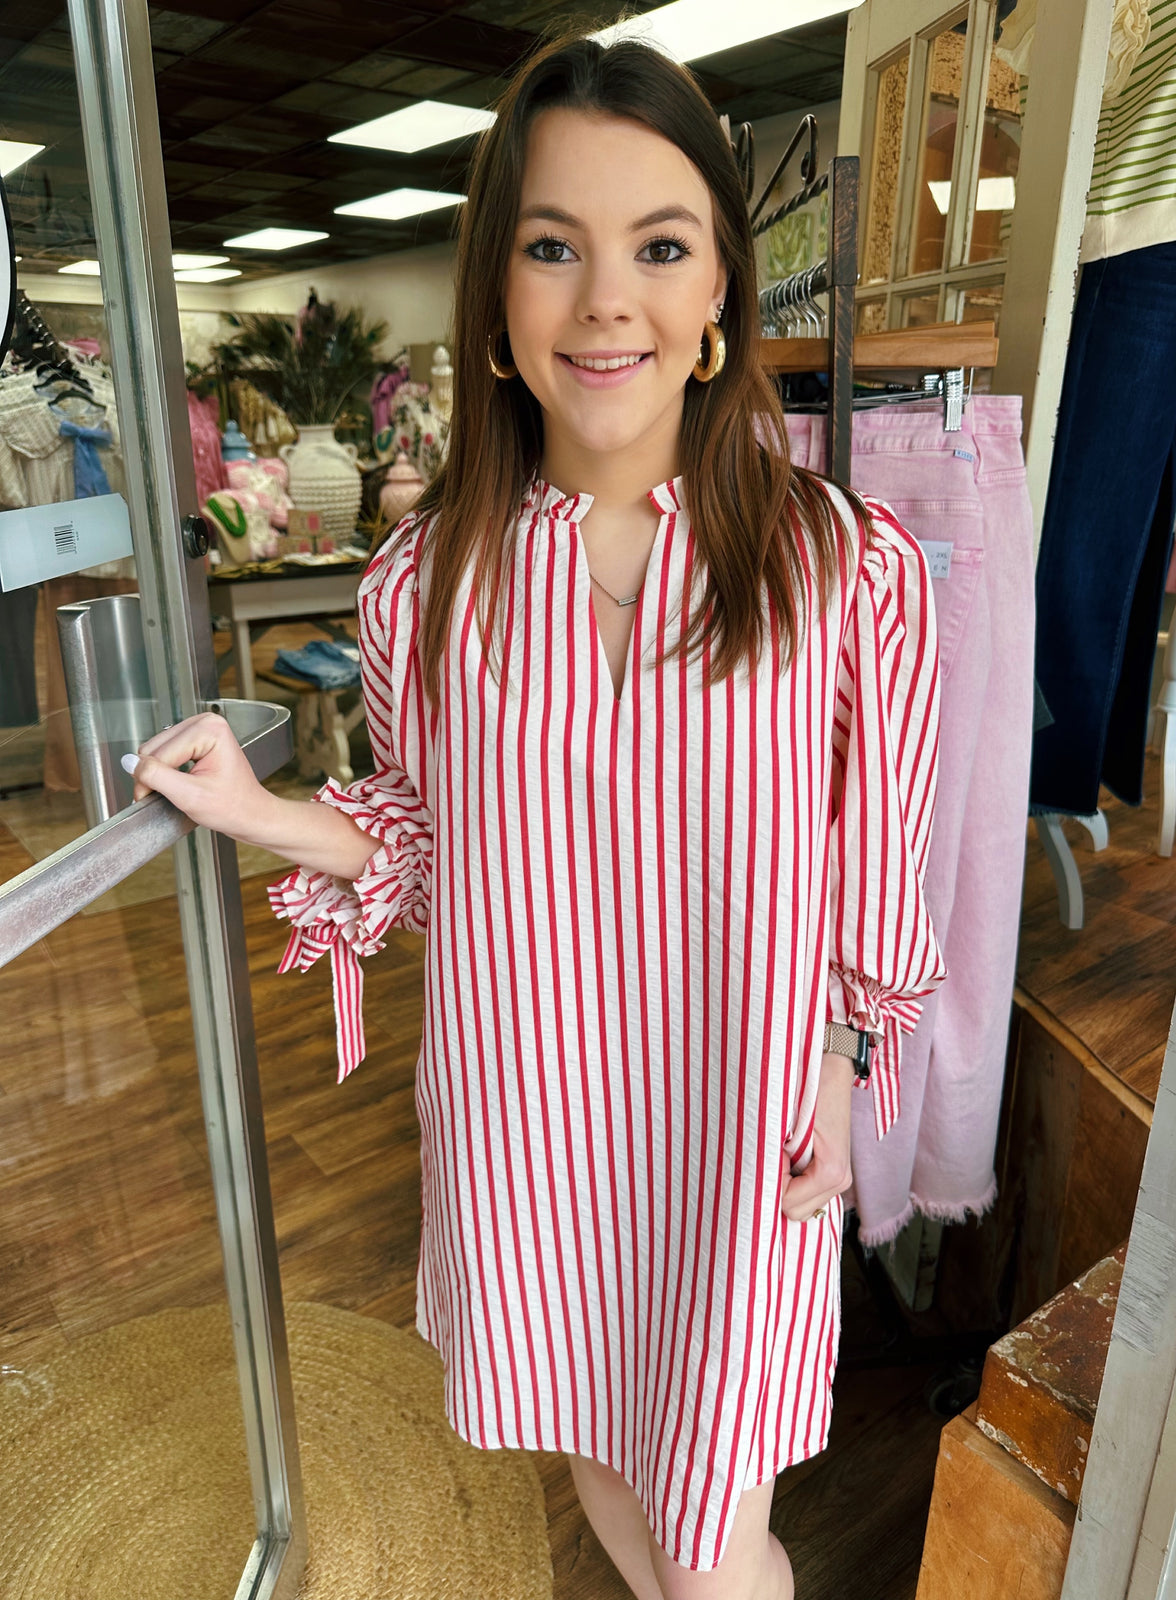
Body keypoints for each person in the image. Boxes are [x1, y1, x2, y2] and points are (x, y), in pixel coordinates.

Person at [130, 31, 946, 1600]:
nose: (606, 300)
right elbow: (434, 843)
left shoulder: (850, 569)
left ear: (718, 295)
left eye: (660, 246)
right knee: (599, 1456)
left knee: (715, 1545)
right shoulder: (424, 585)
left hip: (739, 1132)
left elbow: (876, 860)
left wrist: (847, 1075)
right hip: (537, 1134)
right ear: (498, 305)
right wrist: (270, 812)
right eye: (554, 249)